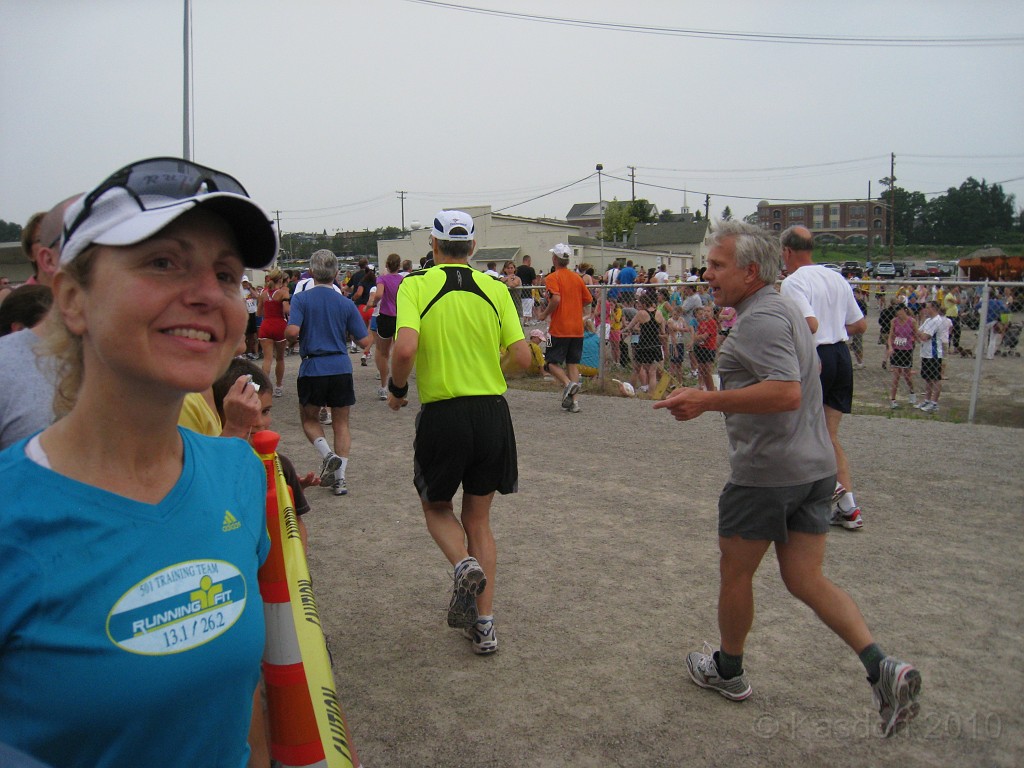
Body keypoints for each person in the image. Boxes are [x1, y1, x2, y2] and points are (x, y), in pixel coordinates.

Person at [0, 156, 279, 766]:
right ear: (72, 299)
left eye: (228, 274)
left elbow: (244, 702)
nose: (209, 294)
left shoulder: (236, 473)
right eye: (163, 262)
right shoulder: (10, 517)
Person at [654, 220, 921, 738]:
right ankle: (882, 668)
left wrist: (705, 400)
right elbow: (801, 380)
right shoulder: (786, 310)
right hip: (815, 468)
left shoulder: (761, 319)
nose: (706, 274)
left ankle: (728, 671)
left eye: (717, 265)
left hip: (766, 476)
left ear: (751, 271)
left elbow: (785, 392)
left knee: (736, 575)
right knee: (805, 579)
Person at [387, 210, 530, 655]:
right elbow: (523, 357)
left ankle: (462, 563)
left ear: (433, 245)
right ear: (472, 247)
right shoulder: (496, 288)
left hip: (444, 412)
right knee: (479, 519)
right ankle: (485, 625)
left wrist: (396, 388)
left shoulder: (416, 284)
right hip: (492, 412)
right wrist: (493, 369)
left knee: (435, 507)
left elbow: (405, 347)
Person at [779, 225, 867, 530]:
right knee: (828, 434)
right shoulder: (836, 277)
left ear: (787, 251)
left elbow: (810, 325)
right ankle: (849, 508)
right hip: (841, 355)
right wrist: (836, 330)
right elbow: (860, 324)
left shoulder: (792, 282)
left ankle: (830, 487)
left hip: (817, 358)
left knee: (799, 428)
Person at [285, 249, 369, 496]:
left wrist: (293, 338)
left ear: (311, 272)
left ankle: (327, 454)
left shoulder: (301, 299)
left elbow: (291, 332)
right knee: (341, 424)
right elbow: (364, 341)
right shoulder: (345, 303)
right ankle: (340, 479)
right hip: (341, 366)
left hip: (313, 366)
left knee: (310, 419)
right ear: (336, 273)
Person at [212, 358, 315, 551]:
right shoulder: (209, 468)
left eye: (265, 411)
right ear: (218, 413)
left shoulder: (281, 465)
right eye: (246, 413)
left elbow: (296, 523)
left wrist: (298, 570)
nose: (259, 422)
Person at [536, 243, 593, 413]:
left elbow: (556, 299)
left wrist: (544, 314)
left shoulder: (552, 277)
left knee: (550, 363)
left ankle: (569, 385)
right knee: (572, 364)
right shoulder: (577, 278)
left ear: (555, 259)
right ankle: (575, 402)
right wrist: (578, 309)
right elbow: (588, 299)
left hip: (558, 328)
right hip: (576, 328)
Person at [367, 252, 405, 401]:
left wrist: (374, 303)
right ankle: (399, 387)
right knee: (397, 352)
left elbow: (379, 294)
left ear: (387, 265)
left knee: (383, 353)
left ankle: (383, 387)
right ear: (399, 265)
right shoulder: (403, 279)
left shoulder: (382, 278)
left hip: (386, 316)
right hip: (400, 317)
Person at [257, 268, 290, 396]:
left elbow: (259, 313)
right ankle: (279, 386)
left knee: (267, 359)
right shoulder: (283, 293)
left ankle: (264, 388)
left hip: (266, 325)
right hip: (279, 325)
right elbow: (286, 310)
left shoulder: (263, 294)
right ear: (281, 280)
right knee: (280, 358)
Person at [916, 301, 945, 414]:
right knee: (928, 378)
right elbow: (919, 331)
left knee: (935, 378)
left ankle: (934, 403)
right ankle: (927, 400)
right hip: (925, 352)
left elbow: (925, 336)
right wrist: (918, 333)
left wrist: (918, 332)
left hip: (934, 354)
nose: (925, 310)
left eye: (928, 308)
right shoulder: (928, 320)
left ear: (933, 308)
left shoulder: (937, 320)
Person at [887, 303, 918, 409]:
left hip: (907, 350)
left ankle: (912, 392)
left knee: (907, 374)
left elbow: (916, 334)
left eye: (899, 311)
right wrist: (890, 347)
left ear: (904, 310)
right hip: (897, 350)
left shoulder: (912, 321)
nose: (898, 314)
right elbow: (890, 335)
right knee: (896, 375)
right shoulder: (894, 321)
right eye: (896, 312)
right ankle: (893, 399)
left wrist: (914, 340)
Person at [241, 275, 260, 358]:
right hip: (245, 313)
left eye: (246, 282)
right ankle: (244, 352)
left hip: (252, 313)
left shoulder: (251, 290)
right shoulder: (240, 291)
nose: (245, 284)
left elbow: (257, 297)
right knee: (244, 335)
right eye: (243, 282)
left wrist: (250, 288)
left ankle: (249, 351)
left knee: (252, 334)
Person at [515, 255, 536, 324]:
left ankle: (520, 321)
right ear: (528, 261)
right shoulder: (531, 269)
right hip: (527, 291)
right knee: (527, 308)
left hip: (518, 291)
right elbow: (534, 282)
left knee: (521, 308)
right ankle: (526, 321)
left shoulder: (517, 269)